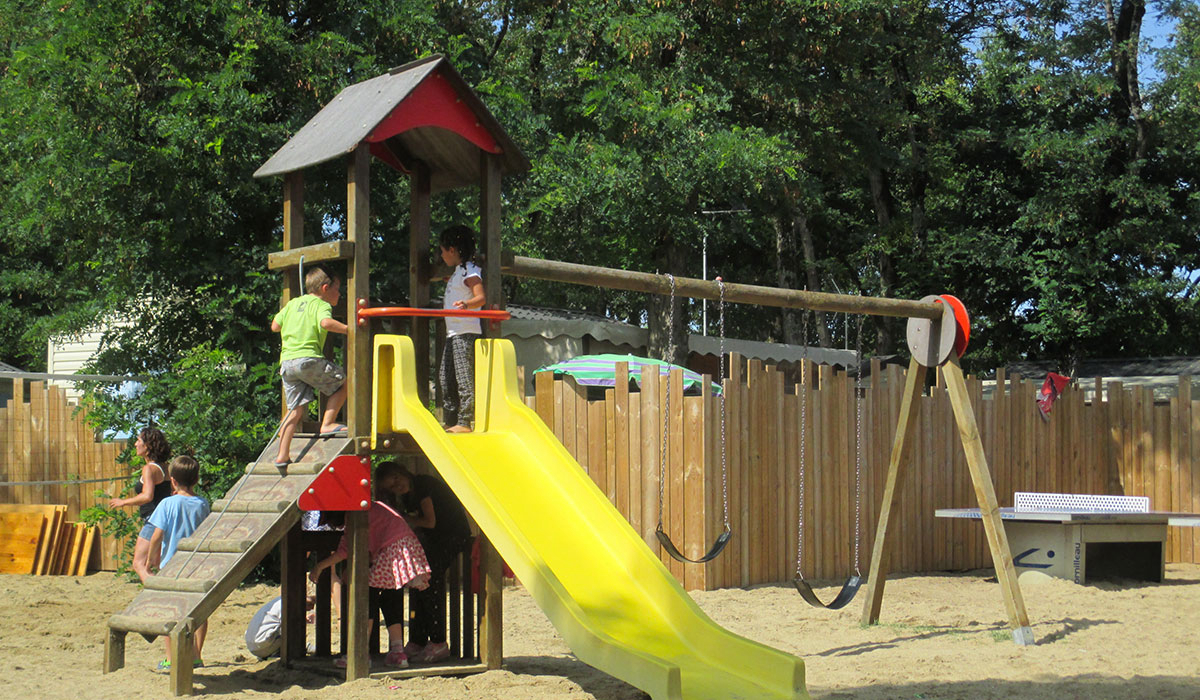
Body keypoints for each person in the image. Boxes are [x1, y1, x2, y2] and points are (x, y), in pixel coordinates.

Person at [309, 502, 431, 669]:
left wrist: (320, 566)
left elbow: (350, 550)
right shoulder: (369, 507)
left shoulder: (355, 515)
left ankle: (360, 652)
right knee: (390, 597)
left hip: (391, 548)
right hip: (402, 547)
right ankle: (398, 652)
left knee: (366, 596)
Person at [375, 461, 473, 664]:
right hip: (436, 538)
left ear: (402, 471)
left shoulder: (422, 485)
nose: (397, 485)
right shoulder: (408, 495)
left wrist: (405, 520)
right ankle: (418, 640)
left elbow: (430, 522)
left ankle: (438, 642)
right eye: (392, 486)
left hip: (452, 535)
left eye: (396, 478)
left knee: (430, 582)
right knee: (418, 583)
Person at [271, 266, 349, 465]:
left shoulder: (293, 303)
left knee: (295, 410)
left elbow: (275, 326)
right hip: (307, 360)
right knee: (342, 384)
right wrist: (351, 329)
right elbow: (325, 323)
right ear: (325, 288)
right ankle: (328, 424)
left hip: (287, 363)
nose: (339, 294)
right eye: (338, 289)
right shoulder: (321, 304)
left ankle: (282, 455)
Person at [147, 455, 212, 670]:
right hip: (197, 566)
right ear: (196, 479)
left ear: (172, 481)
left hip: (172, 565)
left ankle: (171, 658)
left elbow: (157, 535)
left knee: (172, 612)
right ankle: (196, 656)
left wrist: (150, 560)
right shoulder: (203, 504)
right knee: (198, 611)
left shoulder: (167, 503)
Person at [438, 225, 485, 433]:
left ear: (452, 250)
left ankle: (465, 420)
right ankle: (450, 419)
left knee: (463, 376)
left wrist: (468, 305)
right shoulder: (459, 271)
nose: (441, 255)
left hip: (465, 332)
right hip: (453, 332)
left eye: (442, 250)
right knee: (444, 376)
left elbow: (481, 297)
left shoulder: (469, 270)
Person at [108, 427, 172, 583]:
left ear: (148, 446)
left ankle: (156, 593)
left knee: (139, 564)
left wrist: (123, 502)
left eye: (138, 440)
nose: (135, 444)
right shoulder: (166, 467)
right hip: (166, 519)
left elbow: (147, 496)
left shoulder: (149, 469)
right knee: (157, 564)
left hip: (153, 520)